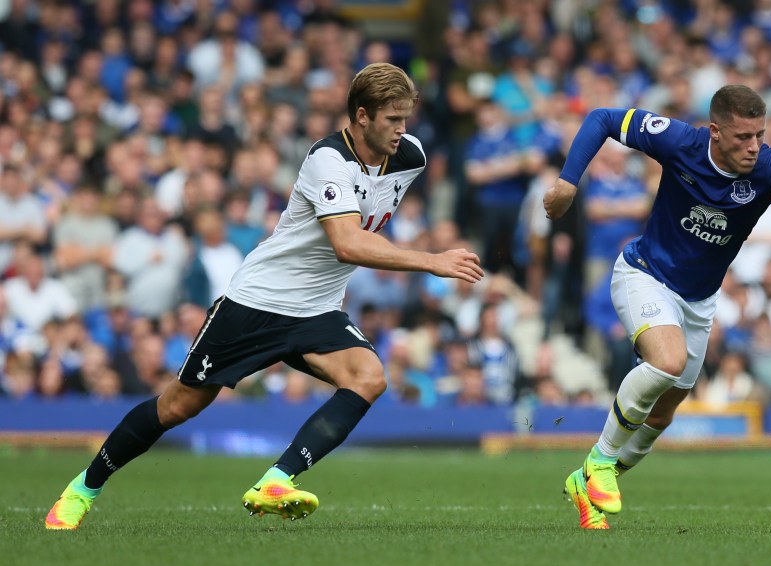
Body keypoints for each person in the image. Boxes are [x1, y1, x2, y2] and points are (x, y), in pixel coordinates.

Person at [45, 63, 484, 530]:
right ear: (361, 116)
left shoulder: (409, 157)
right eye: (392, 120)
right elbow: (348, 243)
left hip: (317, 309)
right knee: (179, 405)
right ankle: (80, 491)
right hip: (257, 301)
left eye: (406, 118)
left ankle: (277, 480)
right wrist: (431, 259)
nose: (403, 130)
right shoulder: (327, 160)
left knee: (369, 376)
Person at [543, 85, 771, 530]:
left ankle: (587, 481)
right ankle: (599, 462)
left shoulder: (770, 166)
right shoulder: (679, 142)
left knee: (664, 410)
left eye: (759, 135)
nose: (753, 147)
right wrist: (567, 182)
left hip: (699, 300)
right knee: (666, 362)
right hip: (644, 274)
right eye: (742, 137)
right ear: (714, 131)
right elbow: (602, 119)